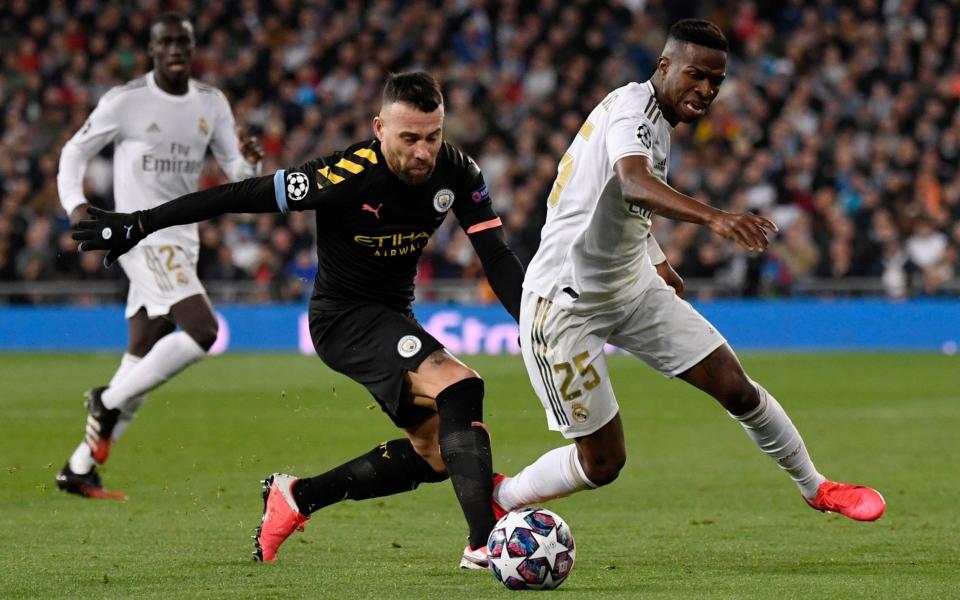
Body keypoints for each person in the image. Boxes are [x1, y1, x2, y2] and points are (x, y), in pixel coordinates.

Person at [72, 72, 526, 568]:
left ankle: (296, 497)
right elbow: (239, 195)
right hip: (342, 320)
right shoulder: (345, 173)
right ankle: (485, 541)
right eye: (410, 138)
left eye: (433, 137)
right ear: (380, 127)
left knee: (435, 454)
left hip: (394, 317)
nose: (423, 152)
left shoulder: (457, 171)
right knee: (459, 386)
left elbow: (495, 255)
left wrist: (530, 318)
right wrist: (141, 222)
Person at [491, 19, 885, 524]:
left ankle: (818, 487)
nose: (705, 91)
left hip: (631, 285)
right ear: (664, 66)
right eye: (696, 75)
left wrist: (658, 261)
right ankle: (502, 497)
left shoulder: (658, 118)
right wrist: (716, 217)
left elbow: (618, 206)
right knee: (603, 462)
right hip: (565, 306)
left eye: (715, 82)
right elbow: (633, 184)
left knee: (736, 387)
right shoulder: (633, 112)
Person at [55, 12, 263, 500]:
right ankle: (105, 402)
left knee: (144, 352)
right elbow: (73, 152)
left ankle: (80, 468)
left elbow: (236, 168)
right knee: (203, 330)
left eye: (183, 42)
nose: (175, 49)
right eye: (166, 42)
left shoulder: (211, 103)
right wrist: (76, 206)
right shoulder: (126, 101)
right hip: (137, 234)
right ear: (151, 49)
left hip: (180, 236)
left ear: (193, 48)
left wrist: (252, 160)